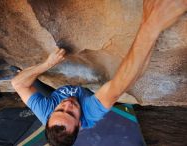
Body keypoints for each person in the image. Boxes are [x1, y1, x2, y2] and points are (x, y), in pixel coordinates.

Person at [11, 1, 187, 146]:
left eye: (60, 109)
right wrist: (152, 25)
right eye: (71, 113)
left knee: (23, 77)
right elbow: (119, 84)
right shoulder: (91, 113)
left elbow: (17, 84)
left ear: (50, 115)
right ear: (80, 123)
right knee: (133, 77)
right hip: (86, 98)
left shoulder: (47, 112)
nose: (68, 104)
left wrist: (47, 64)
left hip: (50, 97)